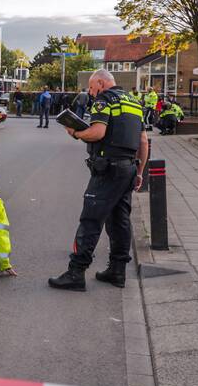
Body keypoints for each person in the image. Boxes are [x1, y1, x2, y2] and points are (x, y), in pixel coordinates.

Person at [49, 69, 149, 293]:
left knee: (91, 220)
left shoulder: (105, 100)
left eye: (93, 89)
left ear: (102, 83)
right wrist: (140, 172)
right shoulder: (133, 102)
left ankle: (76, 273)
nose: (92, 95)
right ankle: (117, 271)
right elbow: (143, 140)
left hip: (108, 169)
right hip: (128, 169)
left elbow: (97, 133)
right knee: (119, 220)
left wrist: (75, 133)